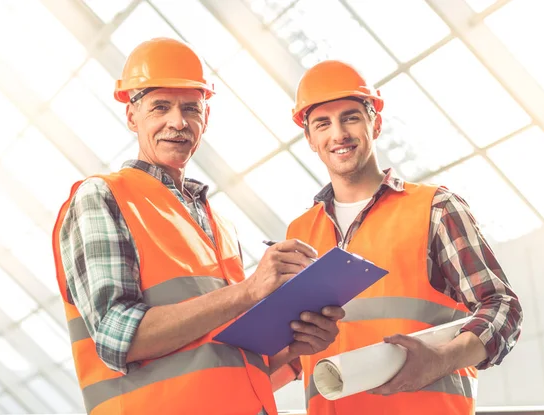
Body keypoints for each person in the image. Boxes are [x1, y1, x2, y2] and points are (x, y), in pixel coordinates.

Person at [52, 38, 344, 415]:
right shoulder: (103, 196)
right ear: (131, 116)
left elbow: (222, 363)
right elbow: (118, 338)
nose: (178, 122)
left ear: (205, 119)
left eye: (191, 108)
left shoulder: (218, 225)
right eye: (161, 107)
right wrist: (250, 290)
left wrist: (293, 351)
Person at [283, 60, 523, 415]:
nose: (338, 134)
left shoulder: (435, 209)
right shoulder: (298, 234)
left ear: (375, 123)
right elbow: (293, 345)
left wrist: (440, 359)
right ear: (310, 139)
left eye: (350, 117)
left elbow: (503, 307)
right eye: (323, 123)